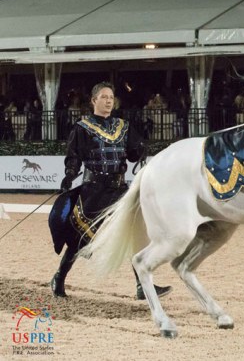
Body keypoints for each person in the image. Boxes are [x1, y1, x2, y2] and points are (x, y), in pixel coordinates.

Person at [49, 81, 171, 300]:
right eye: (104, 97)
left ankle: (142, 286)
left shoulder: (122, 126)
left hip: (120, 189)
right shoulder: (82, 127)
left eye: (111, 97)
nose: (108, 101)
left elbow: (133, 155)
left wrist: (141, 148)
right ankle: (60, 276)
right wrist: (69, 175)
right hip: (93, 190)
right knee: (81, 239)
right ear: (94, 100)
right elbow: (74, 156)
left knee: (132, 234)